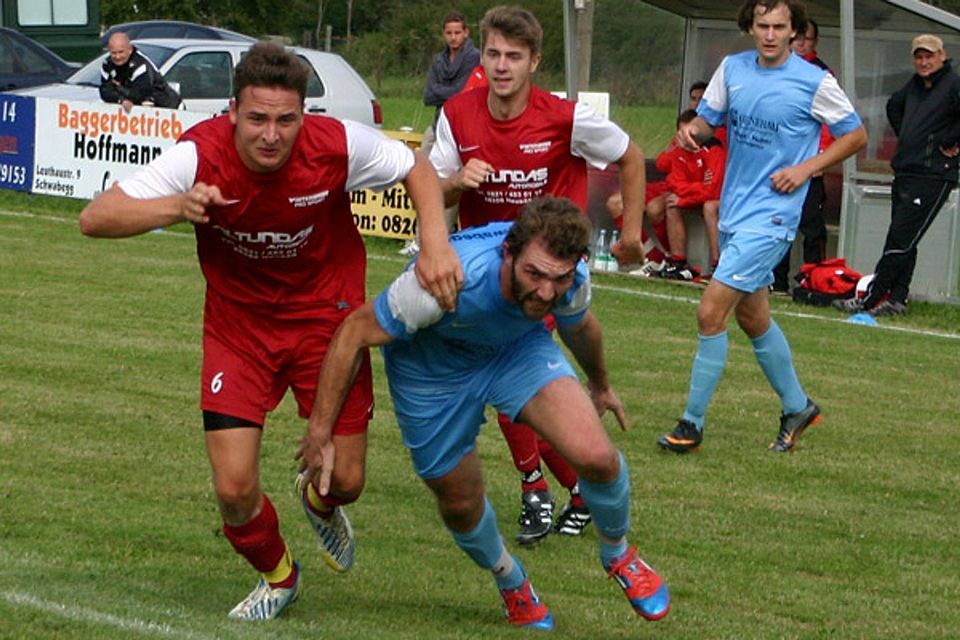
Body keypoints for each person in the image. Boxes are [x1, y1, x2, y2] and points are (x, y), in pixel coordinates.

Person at [79, 42, 462, 621]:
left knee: (348, 482)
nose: (270, 134)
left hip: (327, 326)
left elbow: (418, 169)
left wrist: (435, 246)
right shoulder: (197, 156)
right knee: (234, 490)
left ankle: (317, 503)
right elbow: (96, 217)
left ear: (303, 116)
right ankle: (279, 575)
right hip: (239, 330)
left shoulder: (337, 145)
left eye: (286, 120)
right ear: (232, 111)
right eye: (256, 118)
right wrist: (178, 207)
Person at [299, 197, 670, 629]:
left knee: (598, 456)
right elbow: (352, 334)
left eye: (559, 278)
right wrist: (320, 430)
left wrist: (601, 384)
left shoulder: (571, 279)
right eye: (534, 274)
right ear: (508, 253)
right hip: (431, 373)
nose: (546, 291)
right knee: (459, 502)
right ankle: (511, 582)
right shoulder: (445, 281)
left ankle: (618, 553)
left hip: (514, 351)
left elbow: (580, 326)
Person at [429, 5, 647, 544]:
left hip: (549, 277)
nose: (503, 66)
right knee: (505, 392)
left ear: (534, 62)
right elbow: (432, 192)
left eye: (515, 56)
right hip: (488, 276)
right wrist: (458, 181)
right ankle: (567, 488)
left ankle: (542, 491)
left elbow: (632, 155)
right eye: (495, 54)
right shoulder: (457, 114)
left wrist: (633, 233)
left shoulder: (565, 118)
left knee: (512, 388)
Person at [656, 0, 867, 454]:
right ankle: (797, 406)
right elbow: (706, 123)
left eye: (780, 27)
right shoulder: (732, 69)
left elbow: (856, 135)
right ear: (750, 27)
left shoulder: (815, 81)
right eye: (762, 25)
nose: (770, 34)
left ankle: (690, 424)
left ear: (795, 32)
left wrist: (808, 168)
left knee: (710, 311)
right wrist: (691, 133)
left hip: (773, 217)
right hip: (733, 210)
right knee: (753, 318)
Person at [834, 33, 960, 317]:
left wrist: (950, 142)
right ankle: (897, 300)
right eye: (919, 56)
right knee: (906, 239)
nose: (924, 62)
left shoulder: (953, 85)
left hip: (934, 175)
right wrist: (909, 136)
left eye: (929, 56)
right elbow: (894, 105)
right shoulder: (915, 86)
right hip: (906, 169)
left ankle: (871, 298)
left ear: (942, 56)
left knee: (900, 238)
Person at [401, 11, 482, 256]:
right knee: (421, 180)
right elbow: (429, 95)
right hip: (436, 124)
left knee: (450, 186)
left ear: (466, 32)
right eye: (449, 33)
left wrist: (444, 92)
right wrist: (449, 92)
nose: (453, 37)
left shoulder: (475, 57)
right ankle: (420, 238)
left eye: (458, 32)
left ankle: (441, 240)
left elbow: (465, 92)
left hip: (462, 128)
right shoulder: (439, 60)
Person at [771, 18, 835, 292]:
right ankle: (776, 279)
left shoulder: (822, 74)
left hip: (809, 166)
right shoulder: (777, 67)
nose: (799, 42)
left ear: (814, 43)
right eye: (796, 36)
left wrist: (820, 157)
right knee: (778, 223)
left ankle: (814, 280)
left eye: (805, 38)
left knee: (812, 226)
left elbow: (831, 121)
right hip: (781, 162)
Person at [659, 110, 726, 281]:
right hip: (697, 196)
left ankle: (719, 265)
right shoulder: (680, 148)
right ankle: (678, 262)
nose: (684, 140)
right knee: (670, 205)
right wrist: (696, 188)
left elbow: (712, 191)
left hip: (718, 198)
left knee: (709, 206)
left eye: (688, 134)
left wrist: (685, 196)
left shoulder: (713, 148)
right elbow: (673, 180)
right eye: (681, 135)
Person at [100, 32, 181, 112]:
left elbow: (140, 93)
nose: (117, 57)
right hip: (140, 112)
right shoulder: (107, 64)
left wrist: (119, 90)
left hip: (169, 108)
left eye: (121, 52)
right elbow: (105, 91)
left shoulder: (140, 64)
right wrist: (120, 100)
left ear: (130, 50)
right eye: (114, 53)